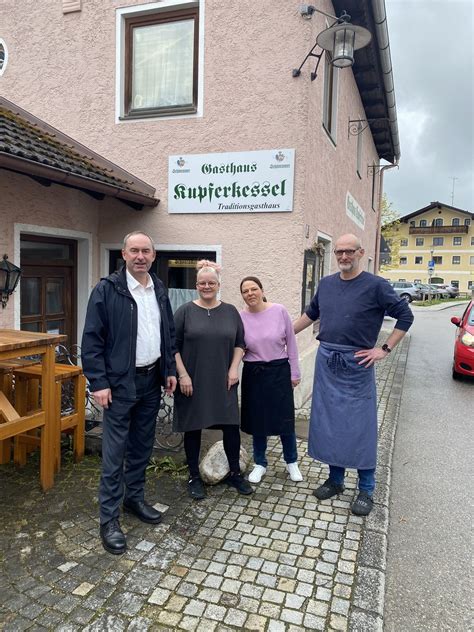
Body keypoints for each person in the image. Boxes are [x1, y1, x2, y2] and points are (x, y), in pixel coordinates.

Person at [293, 234, 414, 516]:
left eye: (349, 252)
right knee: (330, 423)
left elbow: (405, 316)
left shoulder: (376, 286)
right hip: (327, 361)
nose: (344, 257)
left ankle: (366, 489)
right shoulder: (326, 285)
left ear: (360, 253)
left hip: (357, 364)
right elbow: (309, 316)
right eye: (339, 252)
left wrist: (383, 349)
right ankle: (336, 481)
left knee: (360, 427)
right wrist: (279, 335)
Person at [81, 231, 177, 555]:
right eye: (134, 250)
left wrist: (170, 371)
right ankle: (108, 520)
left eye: (146, 251)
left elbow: (168, 333)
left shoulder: (159, 289)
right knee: (114, 454)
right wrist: (99, 382)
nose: (140, 256)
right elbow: (92, 341)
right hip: (120, 384)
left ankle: (133, 499)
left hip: (152, 381)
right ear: (123, 254)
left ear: (153, 255)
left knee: (141, 447)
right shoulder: (107, 291)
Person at [174, 260, 253, 500]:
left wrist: (233, 369)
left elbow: (241, 343)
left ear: (218, 285)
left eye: (211, 283)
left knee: (230, 426)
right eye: (202, 283)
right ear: (196, 285)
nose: (206, 286)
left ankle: (234, 474)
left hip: (223, 380)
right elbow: (172, 346)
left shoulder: (230, 311)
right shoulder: (185, 311)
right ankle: (194, 477)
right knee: (193, 427)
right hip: (193, 380)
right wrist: (183, 374)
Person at [239, 276, 303, 483]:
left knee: (284, 419)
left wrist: (295, 372)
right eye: (245, 291)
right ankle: (260, 463)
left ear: (262, 290)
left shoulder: (279, 311)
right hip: (253, 371)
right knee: (258, 419)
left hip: (278, 370)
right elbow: (238, 346)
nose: (250, 293)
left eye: (254, 289)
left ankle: (291, 461)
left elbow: (291, 344)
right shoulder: (240, 317)